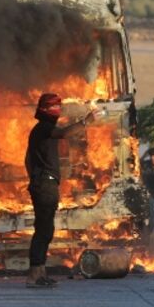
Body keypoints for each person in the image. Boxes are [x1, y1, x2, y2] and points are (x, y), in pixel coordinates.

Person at [24, 92, 91, 288]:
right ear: (47, 109)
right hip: (45, 184)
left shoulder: (41, 130)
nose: (59, 110)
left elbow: (27, 160)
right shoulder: (43, 128)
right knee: (43, 230)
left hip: (45, 183)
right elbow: (64, 133)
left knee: (46, 229)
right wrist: (85, 122)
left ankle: (40, 274)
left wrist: (35, 178)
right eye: (56, 106)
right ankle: (33, 276)